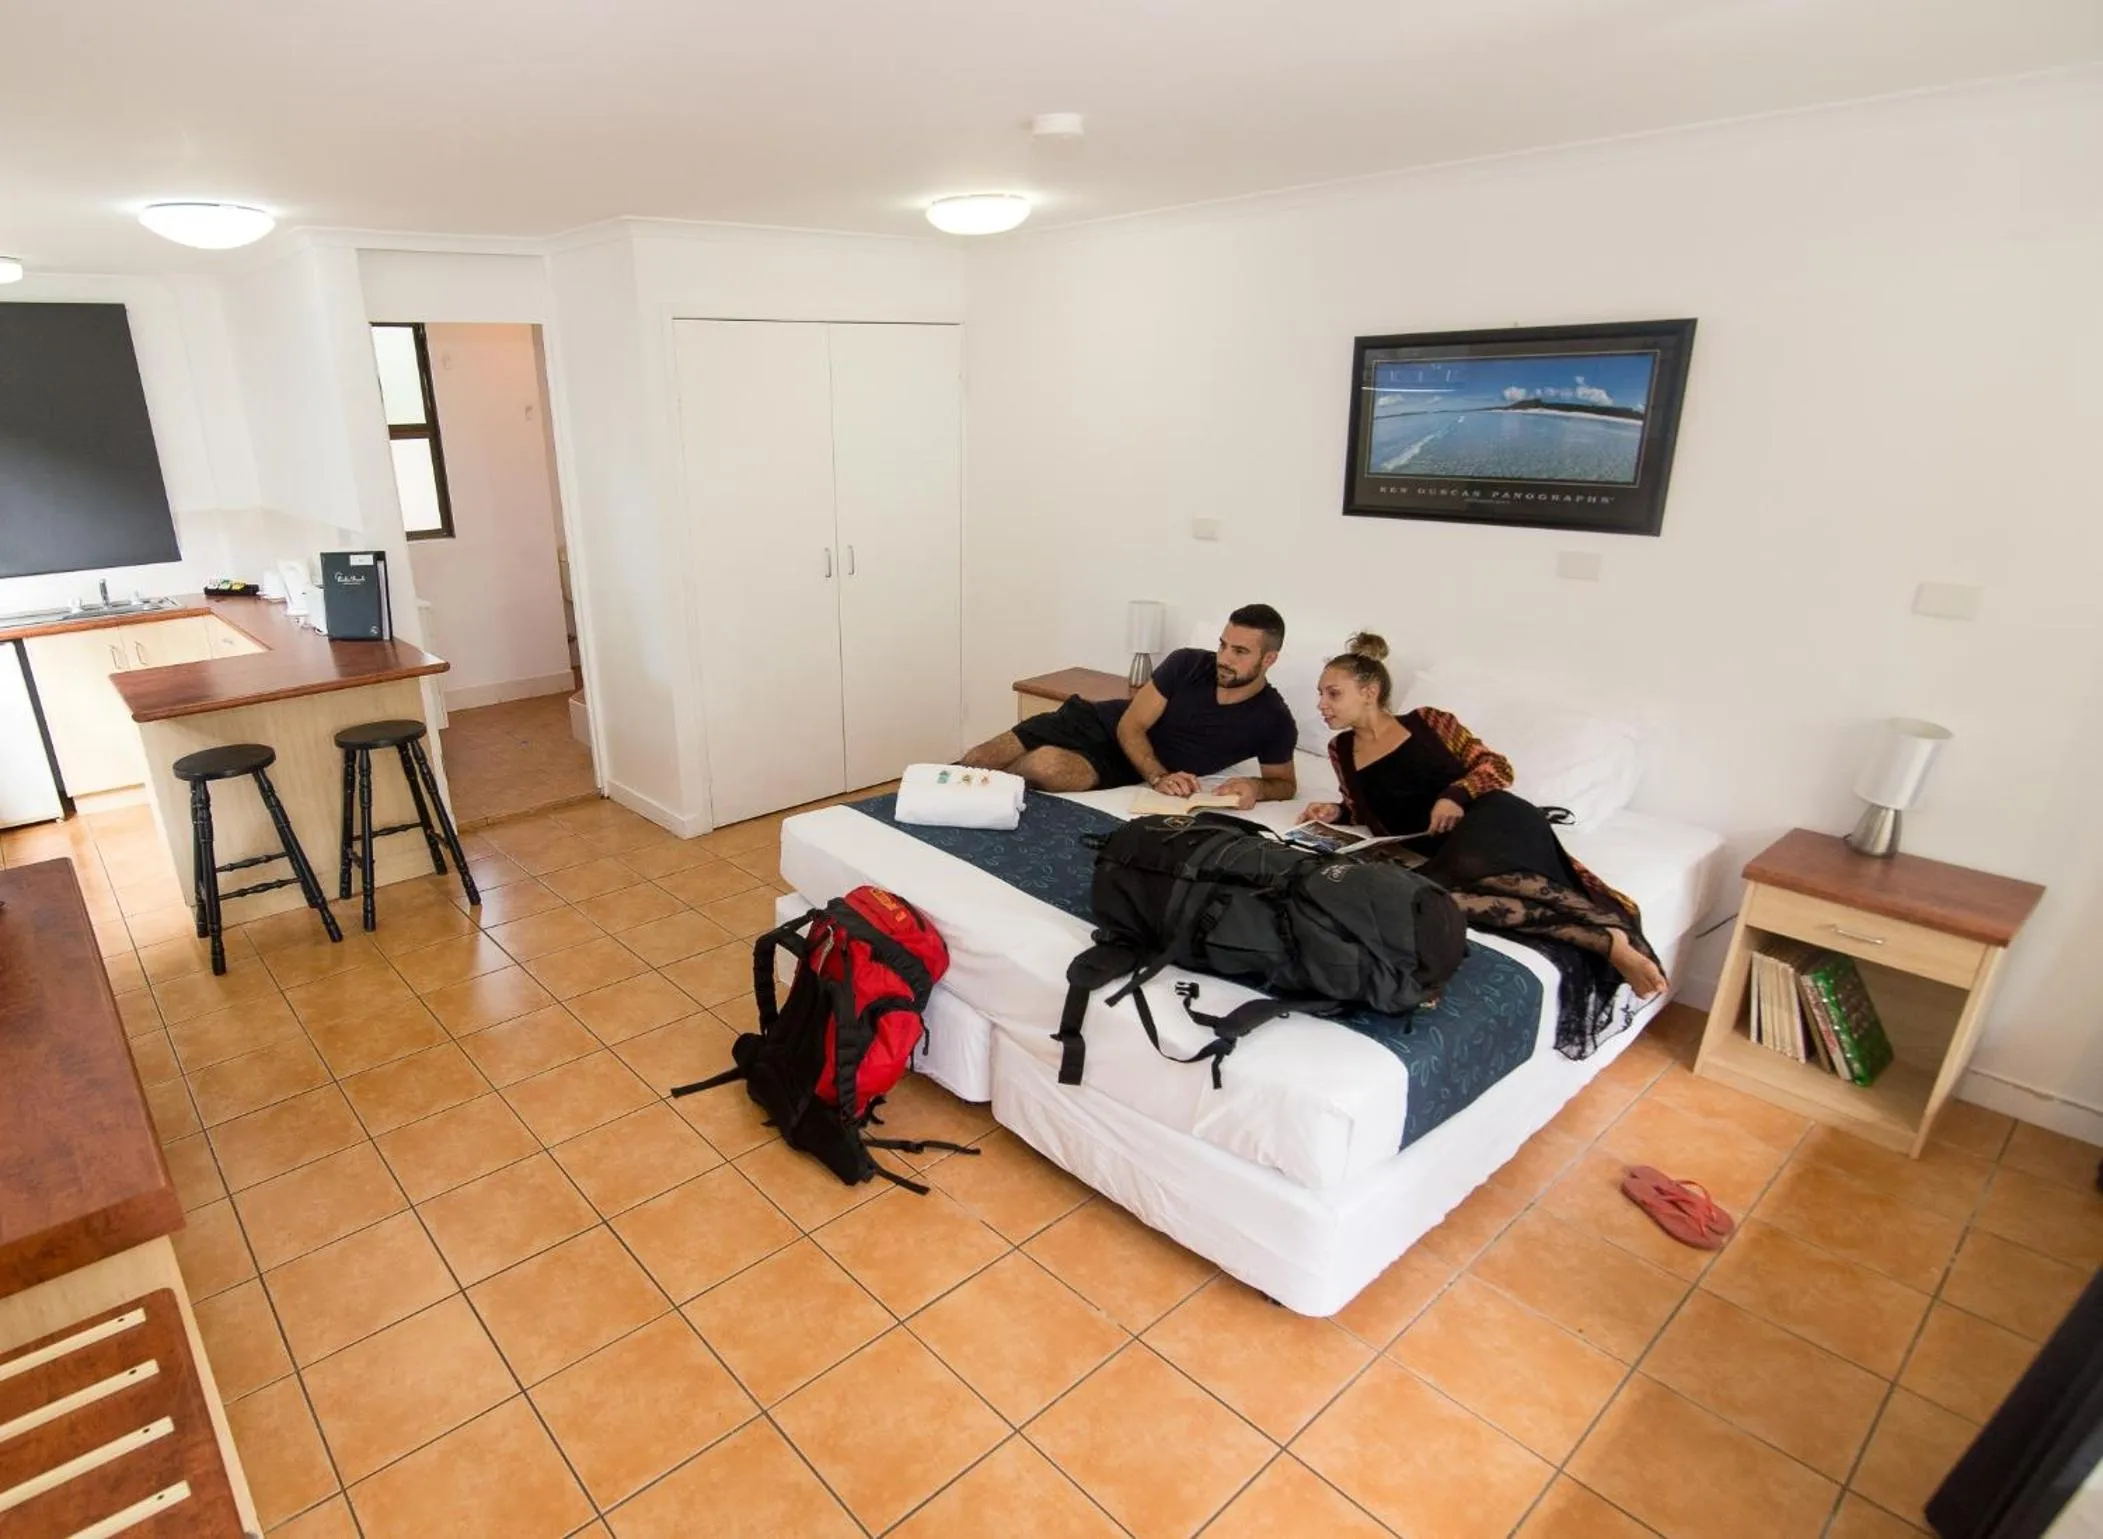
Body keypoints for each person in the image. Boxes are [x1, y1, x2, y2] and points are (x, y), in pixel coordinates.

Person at [1303, 632, 1666, 1055]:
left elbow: (1495, 767)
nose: (1322, 704)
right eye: (1320, 694)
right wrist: (1336, 813)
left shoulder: (1430, 722)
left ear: (1370, 692)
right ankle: (1604, 941)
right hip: (1445, 851)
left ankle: (1606, 930)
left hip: (1496, 819)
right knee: (1440, 899)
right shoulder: (1340, 750)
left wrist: (1454, 795)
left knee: (1477, 871)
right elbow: (1365, 811)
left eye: (1333, 693)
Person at [961, 604, 1299, 809]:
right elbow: (1131, 723)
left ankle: (977, 800)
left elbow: (1284, 783)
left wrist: (1256, 787)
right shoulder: (1187, 664)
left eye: (1240, 652)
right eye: (1223, 645)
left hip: (1124, 764)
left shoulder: (1273, 719)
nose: (1224, 659)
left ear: (1269, 659)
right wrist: (1158, 776)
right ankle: (949, 797)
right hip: (1097, 721)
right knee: (979, 757)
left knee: (1045, 766)